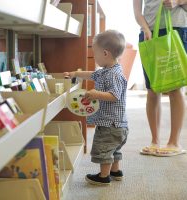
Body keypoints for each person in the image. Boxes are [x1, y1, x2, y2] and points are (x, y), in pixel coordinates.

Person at [64, 30, 129, 185]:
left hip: (110, 124)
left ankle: (103, 176)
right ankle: (115, 171)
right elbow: (91, 74)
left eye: (95, 54)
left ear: (105, 53)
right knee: (114, 149)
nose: (94, 57)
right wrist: (75, 73)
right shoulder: (106, 71)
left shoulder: (114, 75)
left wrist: (96, 94)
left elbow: (114, 95)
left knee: (105, 149)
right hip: (116, 124)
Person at [133, 0, 187, 156]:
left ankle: (174, 142)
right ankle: (154, 140)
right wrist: (145, 28)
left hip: (177, 29)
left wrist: (178, 2)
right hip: (148, 33)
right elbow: (137, 11)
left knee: (175, 87)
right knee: (152, 88)